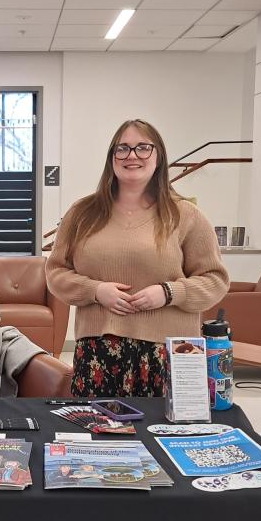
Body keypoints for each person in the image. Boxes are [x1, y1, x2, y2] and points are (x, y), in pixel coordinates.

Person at [46, 118, 229, 398]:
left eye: (143, 148)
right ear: (112, 158)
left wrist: (169, 293)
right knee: (99, 436)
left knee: (162, 435)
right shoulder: (82, 213)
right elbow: (56, 272)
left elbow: (215, 281)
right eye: (123, 148)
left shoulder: (186, 216)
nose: (132, 156)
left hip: (169, 352)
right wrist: (95, 291)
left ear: (159, 157)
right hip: (99, 351)